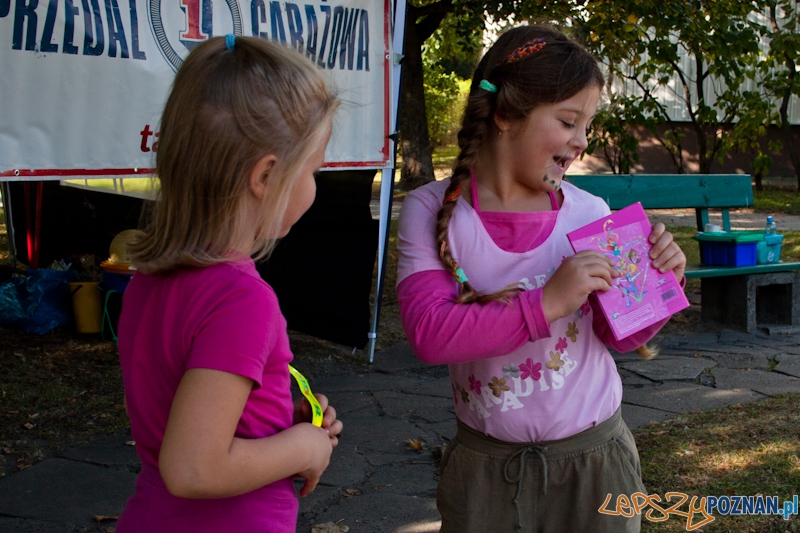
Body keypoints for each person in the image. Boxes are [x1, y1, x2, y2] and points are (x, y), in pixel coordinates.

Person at [396, 25, 686, 533]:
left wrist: (660, 286)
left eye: (587, 124)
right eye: (569, 121)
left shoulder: (589, 212)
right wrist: (546, 302)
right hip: (485, 473)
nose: (582, 141)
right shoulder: (430, 210)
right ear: (506, 113)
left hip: (596, 467)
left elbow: (620, 333)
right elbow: (429, 333)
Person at [115, 35, 342, 533]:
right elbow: (193, 467)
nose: (314, 186)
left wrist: (290, 413)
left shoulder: (152, 280)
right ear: (266, 175)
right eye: (313, 170)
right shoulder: (243, 301)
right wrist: (303, 447)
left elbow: (200, 406)